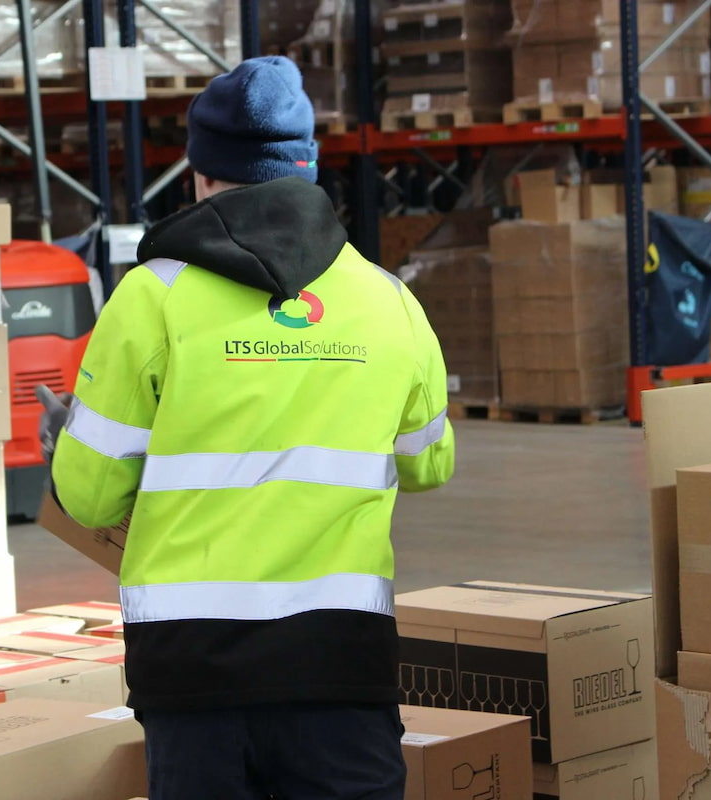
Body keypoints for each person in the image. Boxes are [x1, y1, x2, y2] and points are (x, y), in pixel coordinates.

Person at [40, 55, 455, 800]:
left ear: (201, 176)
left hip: (192, 667)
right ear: (308, 168)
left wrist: (74, 441)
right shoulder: (388, 299)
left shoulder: (152, 296)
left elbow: (91, 498)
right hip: (341, 661)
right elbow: (429, 464)